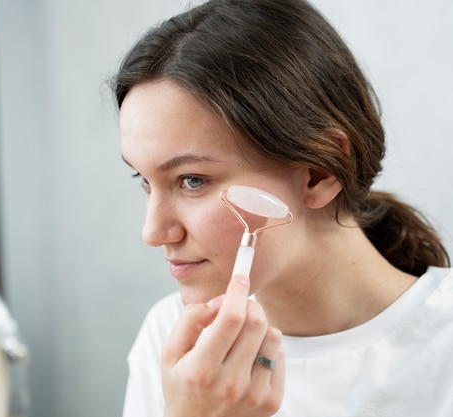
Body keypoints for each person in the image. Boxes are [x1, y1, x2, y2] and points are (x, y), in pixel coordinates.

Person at [110, 0, 452, 416]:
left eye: (192, 180)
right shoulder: (177, 340)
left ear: (320, 172)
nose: (153, 231)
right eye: (145, 180)